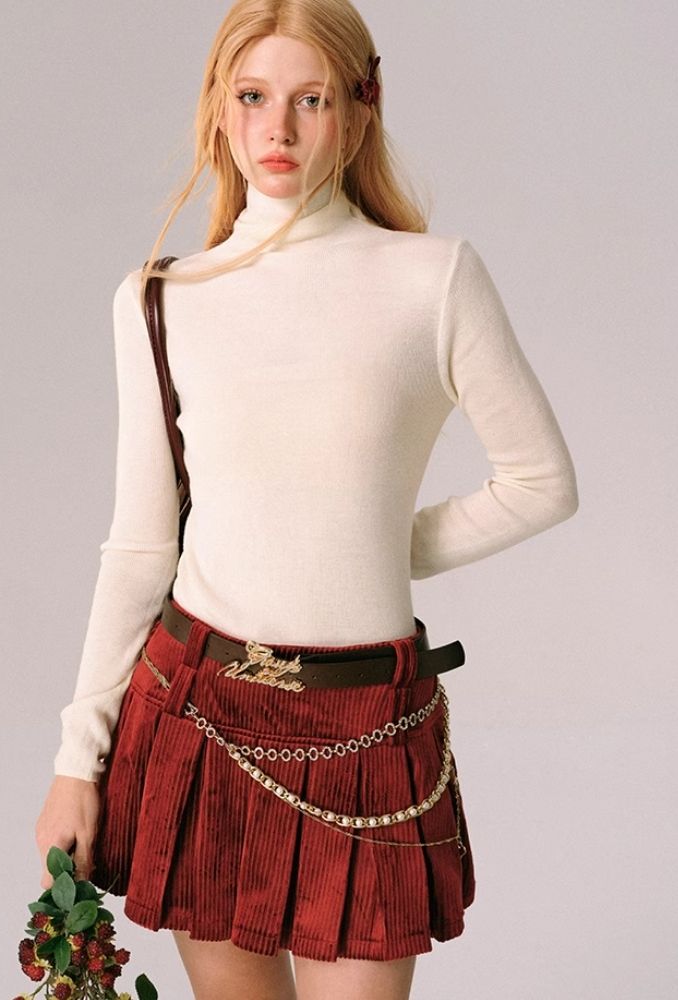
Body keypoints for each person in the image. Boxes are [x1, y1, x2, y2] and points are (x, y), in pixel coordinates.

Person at [34, 2, 579, 998]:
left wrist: (372, 543)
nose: (277, 128)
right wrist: (78, 758)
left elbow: (541, 482)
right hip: (197, 714)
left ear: (362, 108)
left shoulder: (435, 281)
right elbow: (141, 548)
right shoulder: (161, 300)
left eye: (311, 100)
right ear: (220, 110)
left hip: (368, 727)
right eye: (253, 97)